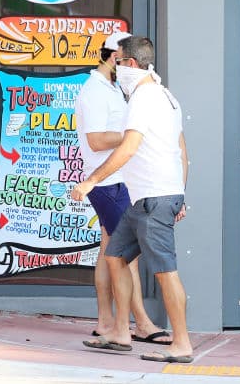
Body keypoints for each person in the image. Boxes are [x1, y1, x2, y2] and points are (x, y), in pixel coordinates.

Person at [71, 36, 194, 363]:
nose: (116, 66)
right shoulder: (167, 96)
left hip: (153, 199)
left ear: (131, 64)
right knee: (115, 256)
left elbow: (128, 147)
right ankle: (121, 332)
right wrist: (181, 193)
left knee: (165, 271)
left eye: (120, 60)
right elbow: (181, 150)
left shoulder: (144, 96)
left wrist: (90, 181)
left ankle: (181, 343)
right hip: (147, 199)